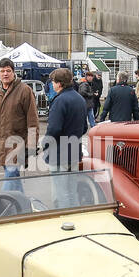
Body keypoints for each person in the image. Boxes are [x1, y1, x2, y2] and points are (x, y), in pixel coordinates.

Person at [0, 57, 38, 193]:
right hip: (0, 143)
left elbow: (32, 120)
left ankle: (3, 205)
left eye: (8, 71)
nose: (5, 74)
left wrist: (31, 146)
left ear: (14, 72)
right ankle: (22, 204)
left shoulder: (24, 91)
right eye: (2, 71)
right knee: (13, 177)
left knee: (10, 176)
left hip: (18, 143)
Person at [44, 67, 88, 206]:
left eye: (53, 81)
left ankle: (65, 224)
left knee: (61, 193)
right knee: (72, 191)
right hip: (74, 151)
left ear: (59, 83)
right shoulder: (80, 99)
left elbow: (54, 128)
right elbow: (84, 127)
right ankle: (75, 221)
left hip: (59, 153)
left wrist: (45, 143)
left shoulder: (60, 100)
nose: (52, 84)